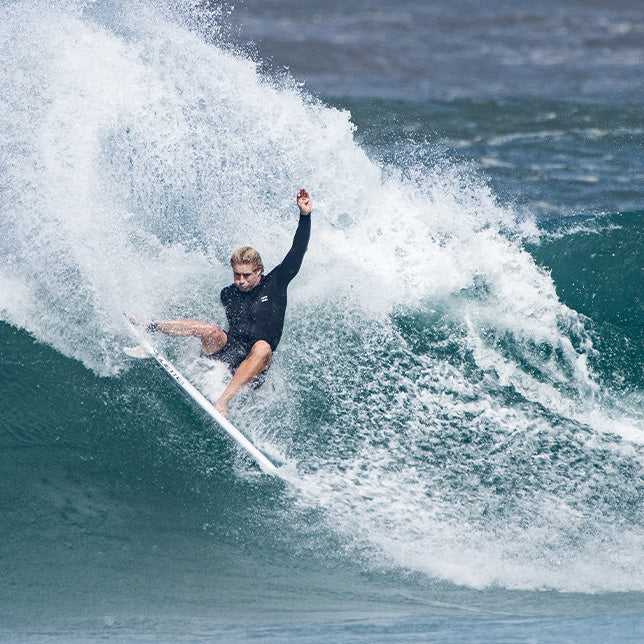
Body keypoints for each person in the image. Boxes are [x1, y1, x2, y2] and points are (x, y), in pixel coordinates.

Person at [142, 188, 312, 416]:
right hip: (228, 354)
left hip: (255, 365)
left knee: (263, 347)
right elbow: (227, 336)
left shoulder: (276, 283)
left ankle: (222, 403)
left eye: (246, 275)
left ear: (259, 271)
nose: (240, 281)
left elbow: (297, 251)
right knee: (211, 330)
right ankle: (150, 325)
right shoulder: (228, 293)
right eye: (236, 275)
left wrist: (305, 216)